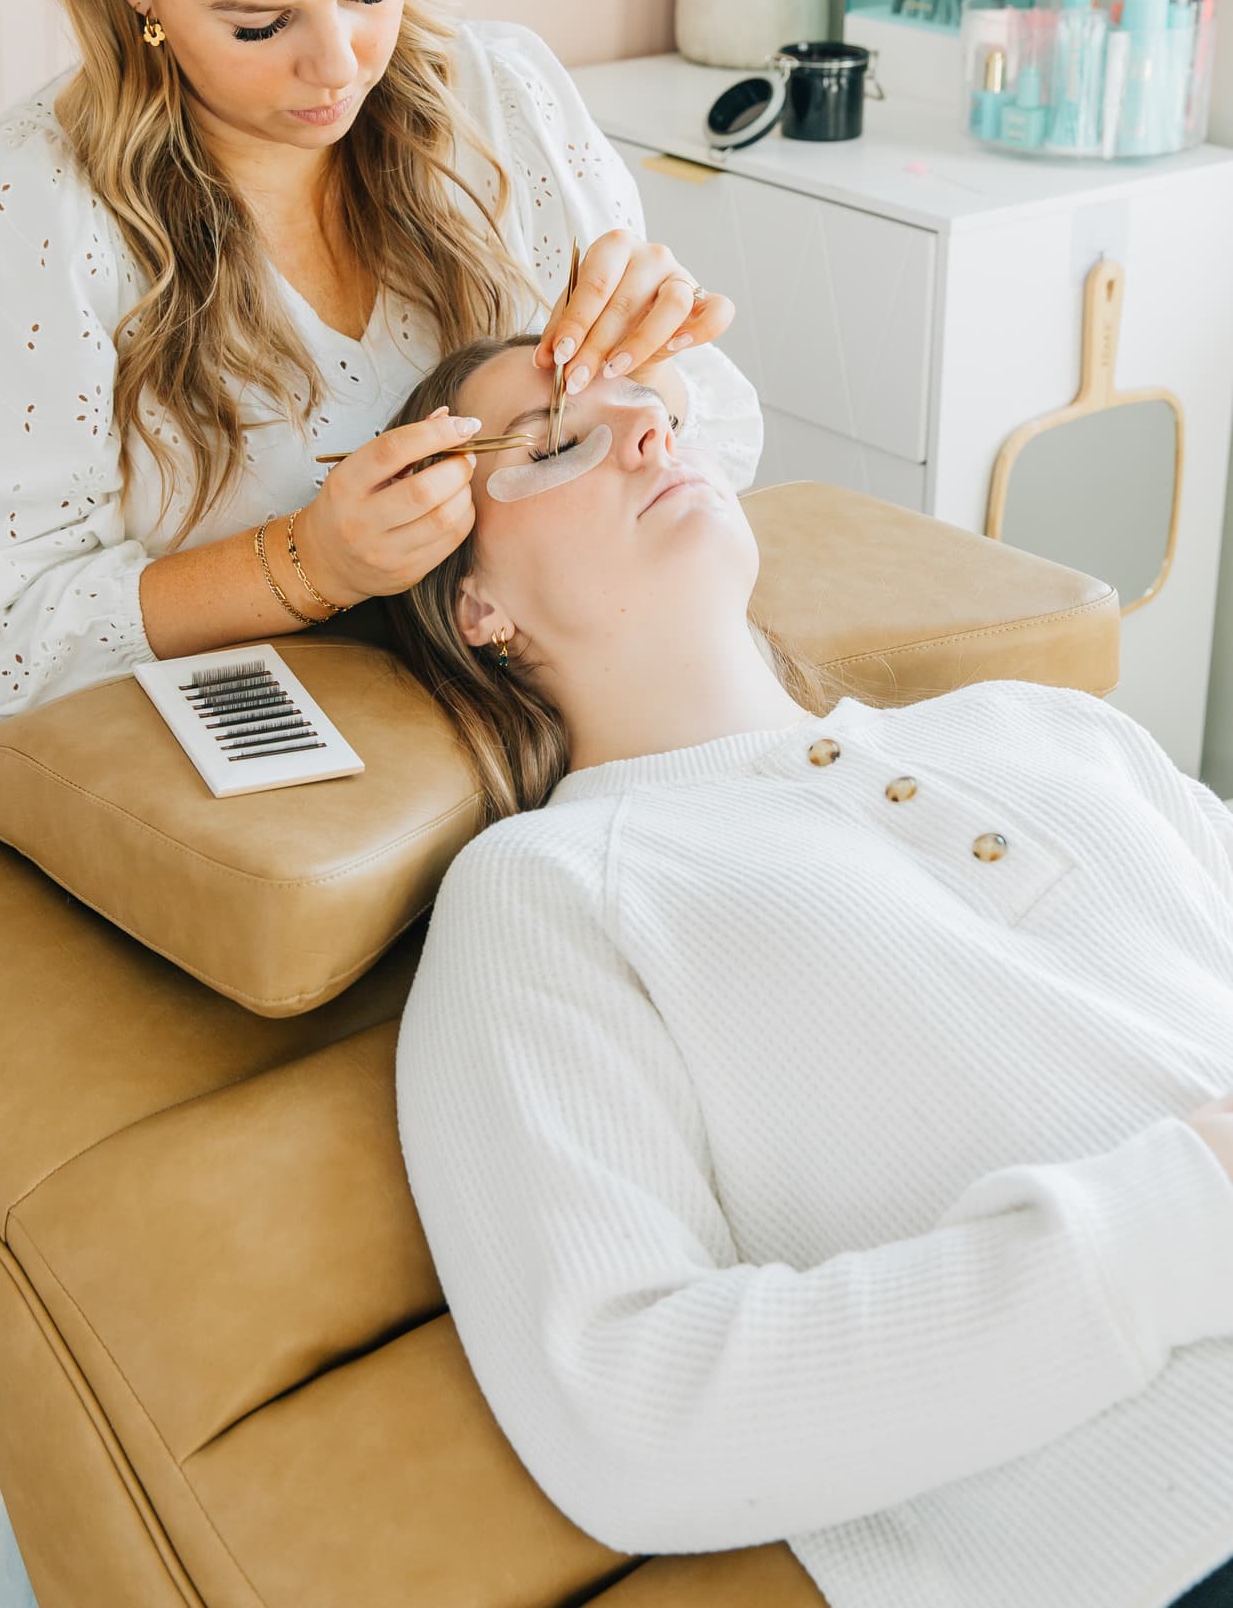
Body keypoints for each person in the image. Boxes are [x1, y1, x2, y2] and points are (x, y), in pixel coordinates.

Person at [0, 0, 763, 1605]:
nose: (334, 64)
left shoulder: (496, 96)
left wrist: (666, 360)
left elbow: (719, 447)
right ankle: (78, 1517)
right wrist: (299, 573)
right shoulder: (26, 213)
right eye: (257, 19)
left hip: (439, 756)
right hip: (104, 791)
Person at [382, 331, 1233, 1608]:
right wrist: (1187, 1212)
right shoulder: (550, 896)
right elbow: (628, 1411)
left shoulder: (1048, 727)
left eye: (653, 402)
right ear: (475, 605)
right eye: (560, 442)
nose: (651, 433)